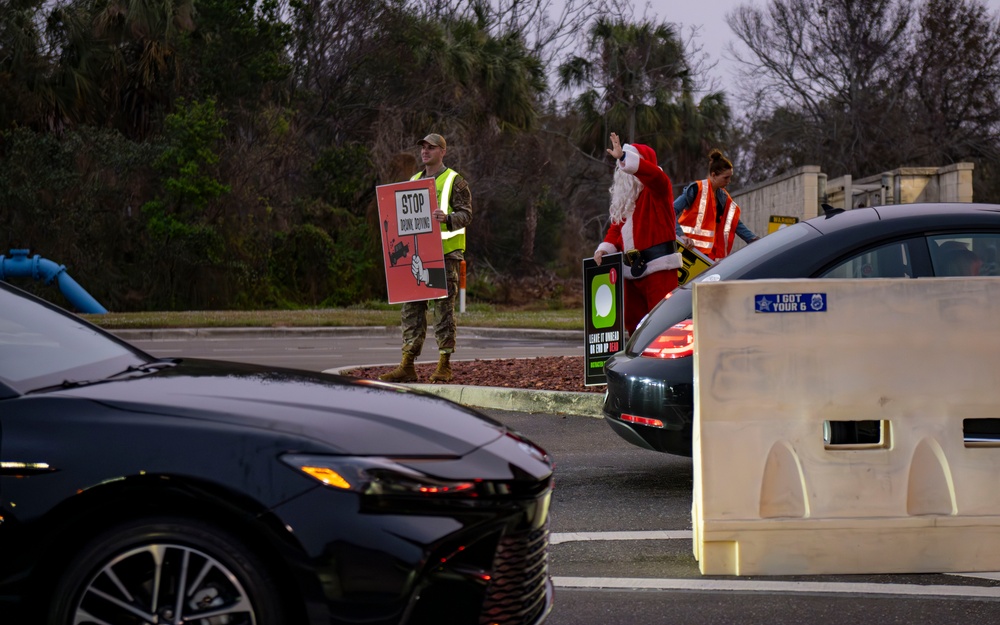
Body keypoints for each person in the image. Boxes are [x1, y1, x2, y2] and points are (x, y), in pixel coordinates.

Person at [380, 133, 473, 383]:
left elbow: (467, 215)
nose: (425, 151)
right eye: (423, 147)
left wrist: (448, 218)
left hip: (445, 257)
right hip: (417, 258)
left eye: (431, 148)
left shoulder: (455, 180)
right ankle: (407, 364)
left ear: (443, 151)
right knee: (411, 310)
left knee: (443, 311)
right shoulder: (413, 180)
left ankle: (444, 365)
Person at [593, 132, 682, 334]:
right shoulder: (628, 201)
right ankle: (637, 363)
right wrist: (605, 249)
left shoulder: (658, 191)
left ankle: (662, 364)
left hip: (659, 269)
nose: (624, 174)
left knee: (661, 325)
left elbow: (656, 177)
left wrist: (624, 159)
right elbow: (616, 229)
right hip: (631, 271)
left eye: (629, 167)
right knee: (634, 326)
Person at [675, 149, 760, 261]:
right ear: (714, 175)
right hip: (686, 249)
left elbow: (734, 222)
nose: (729, 181)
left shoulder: (723, 197)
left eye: (730, 177)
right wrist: (681, 235)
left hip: (705, 256)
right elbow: (670, 211)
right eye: (726, 177)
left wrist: (753, 239)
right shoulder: (697, 189)